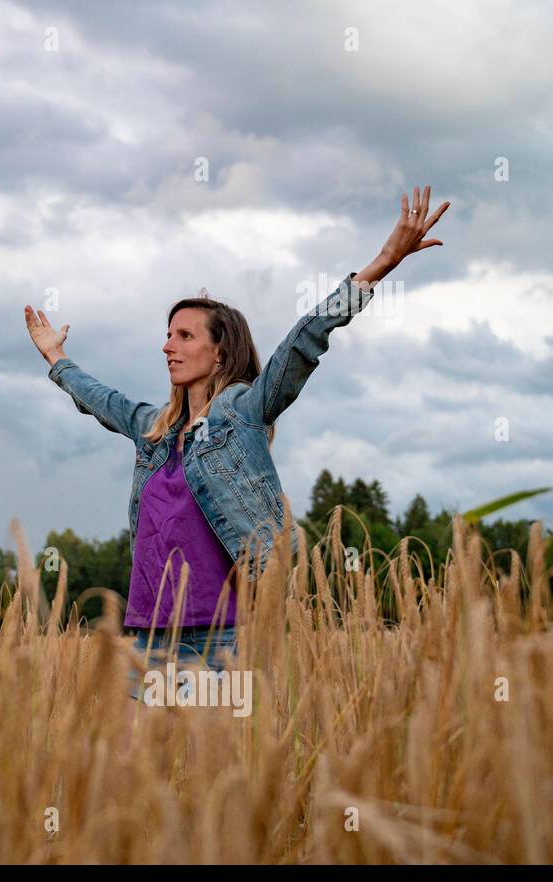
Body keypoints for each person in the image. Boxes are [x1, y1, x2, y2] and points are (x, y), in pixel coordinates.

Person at [23, 186, 450, 701]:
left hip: (223, 638)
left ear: (219, 351)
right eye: (167, 334)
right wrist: (57, 359)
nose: (167, 346)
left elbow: (302, 342)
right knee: (146, 776)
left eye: (184, 335)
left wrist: (380, 265)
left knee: (215, 775)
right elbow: (99, 398)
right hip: (148, 637)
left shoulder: (241, 415)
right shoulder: (154, 431)